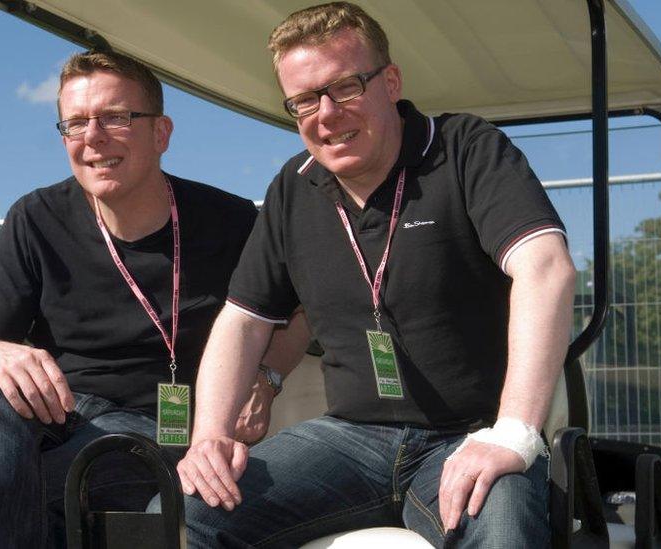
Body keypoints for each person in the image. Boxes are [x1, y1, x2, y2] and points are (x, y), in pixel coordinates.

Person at [177, 2, 576, 547]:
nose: (325, 113)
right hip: (349, 438)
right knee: (182, 515)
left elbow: (545, 267)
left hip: (469, 432)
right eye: (302, 101)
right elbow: (243, 319)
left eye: (344, 88)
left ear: (390, 82)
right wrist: (208, 438)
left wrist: (512, 432)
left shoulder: (465, 149)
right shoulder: (293, 187)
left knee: (504, 527)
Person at [0, 50, 306, 548]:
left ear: (161, 132)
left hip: (156, 427)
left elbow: (299, 313)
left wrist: (266, 378)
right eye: (75, 123)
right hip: (50, 412)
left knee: (20, 486)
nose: (93, 138)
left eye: (116, 117)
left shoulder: (231, 222)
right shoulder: (35, 217)